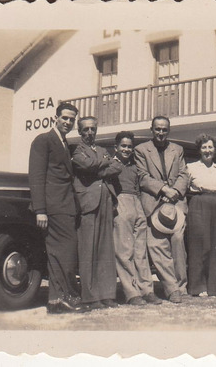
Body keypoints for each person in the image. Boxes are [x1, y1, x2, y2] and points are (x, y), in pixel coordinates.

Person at [28, 102, 89, 314]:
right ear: (56, 117)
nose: (68, 122)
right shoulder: (44, 140)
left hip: (65, 206)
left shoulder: (64, 142)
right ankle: (67, 298)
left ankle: (56, 301)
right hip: (54, 207)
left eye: (72, 119)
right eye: (65, 118)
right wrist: (40, 210)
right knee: (65, 254)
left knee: (59, 254)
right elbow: (36, 176)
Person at [134, 116, 189, 303]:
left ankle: (181, 287)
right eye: (157, 129)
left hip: (175, 203)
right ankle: (172, 289)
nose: (161, 133)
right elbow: (142, 176)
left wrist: (174, 191)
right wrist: (163, 189)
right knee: (157, 247)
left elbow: (184, 174)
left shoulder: (178, 150)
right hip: (153, 203)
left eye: (164, 130)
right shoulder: (141, 150)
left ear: (169, 131)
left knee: (178, 242)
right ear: (151, 129)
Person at [72, 116, 123, 310]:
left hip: (106, 201)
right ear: (80, 132)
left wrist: (97, 167)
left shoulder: (102, 150)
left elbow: (117, 166)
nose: (90, 133)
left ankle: (107, 294)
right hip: (88, 203)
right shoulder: (77, 150)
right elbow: (84, 166)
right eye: (85, 130)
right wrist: (102, 164)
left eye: (93, 129)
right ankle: (90, 296)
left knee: (105, 249)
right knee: (88, 250)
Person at [111, 131, 162, 306]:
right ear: (116, 147)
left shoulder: (134, 166)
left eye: (129, 146)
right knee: (125, 252)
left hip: (137, 203)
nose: (126, 149)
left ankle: (147, 290)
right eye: (123, 146)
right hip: (121, 202)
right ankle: (131, 293)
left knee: (141, 251)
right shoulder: (111, 164)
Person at [186, 133, 216, 297]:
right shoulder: (191, 167)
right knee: (199, 245)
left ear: (215, 150)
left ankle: (212, 288)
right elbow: (185, 189)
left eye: (210, 147)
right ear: (199, 150)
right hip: (198, 204)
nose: (207, 150)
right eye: (204, 147)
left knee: (213, 247)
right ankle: (197, 287)